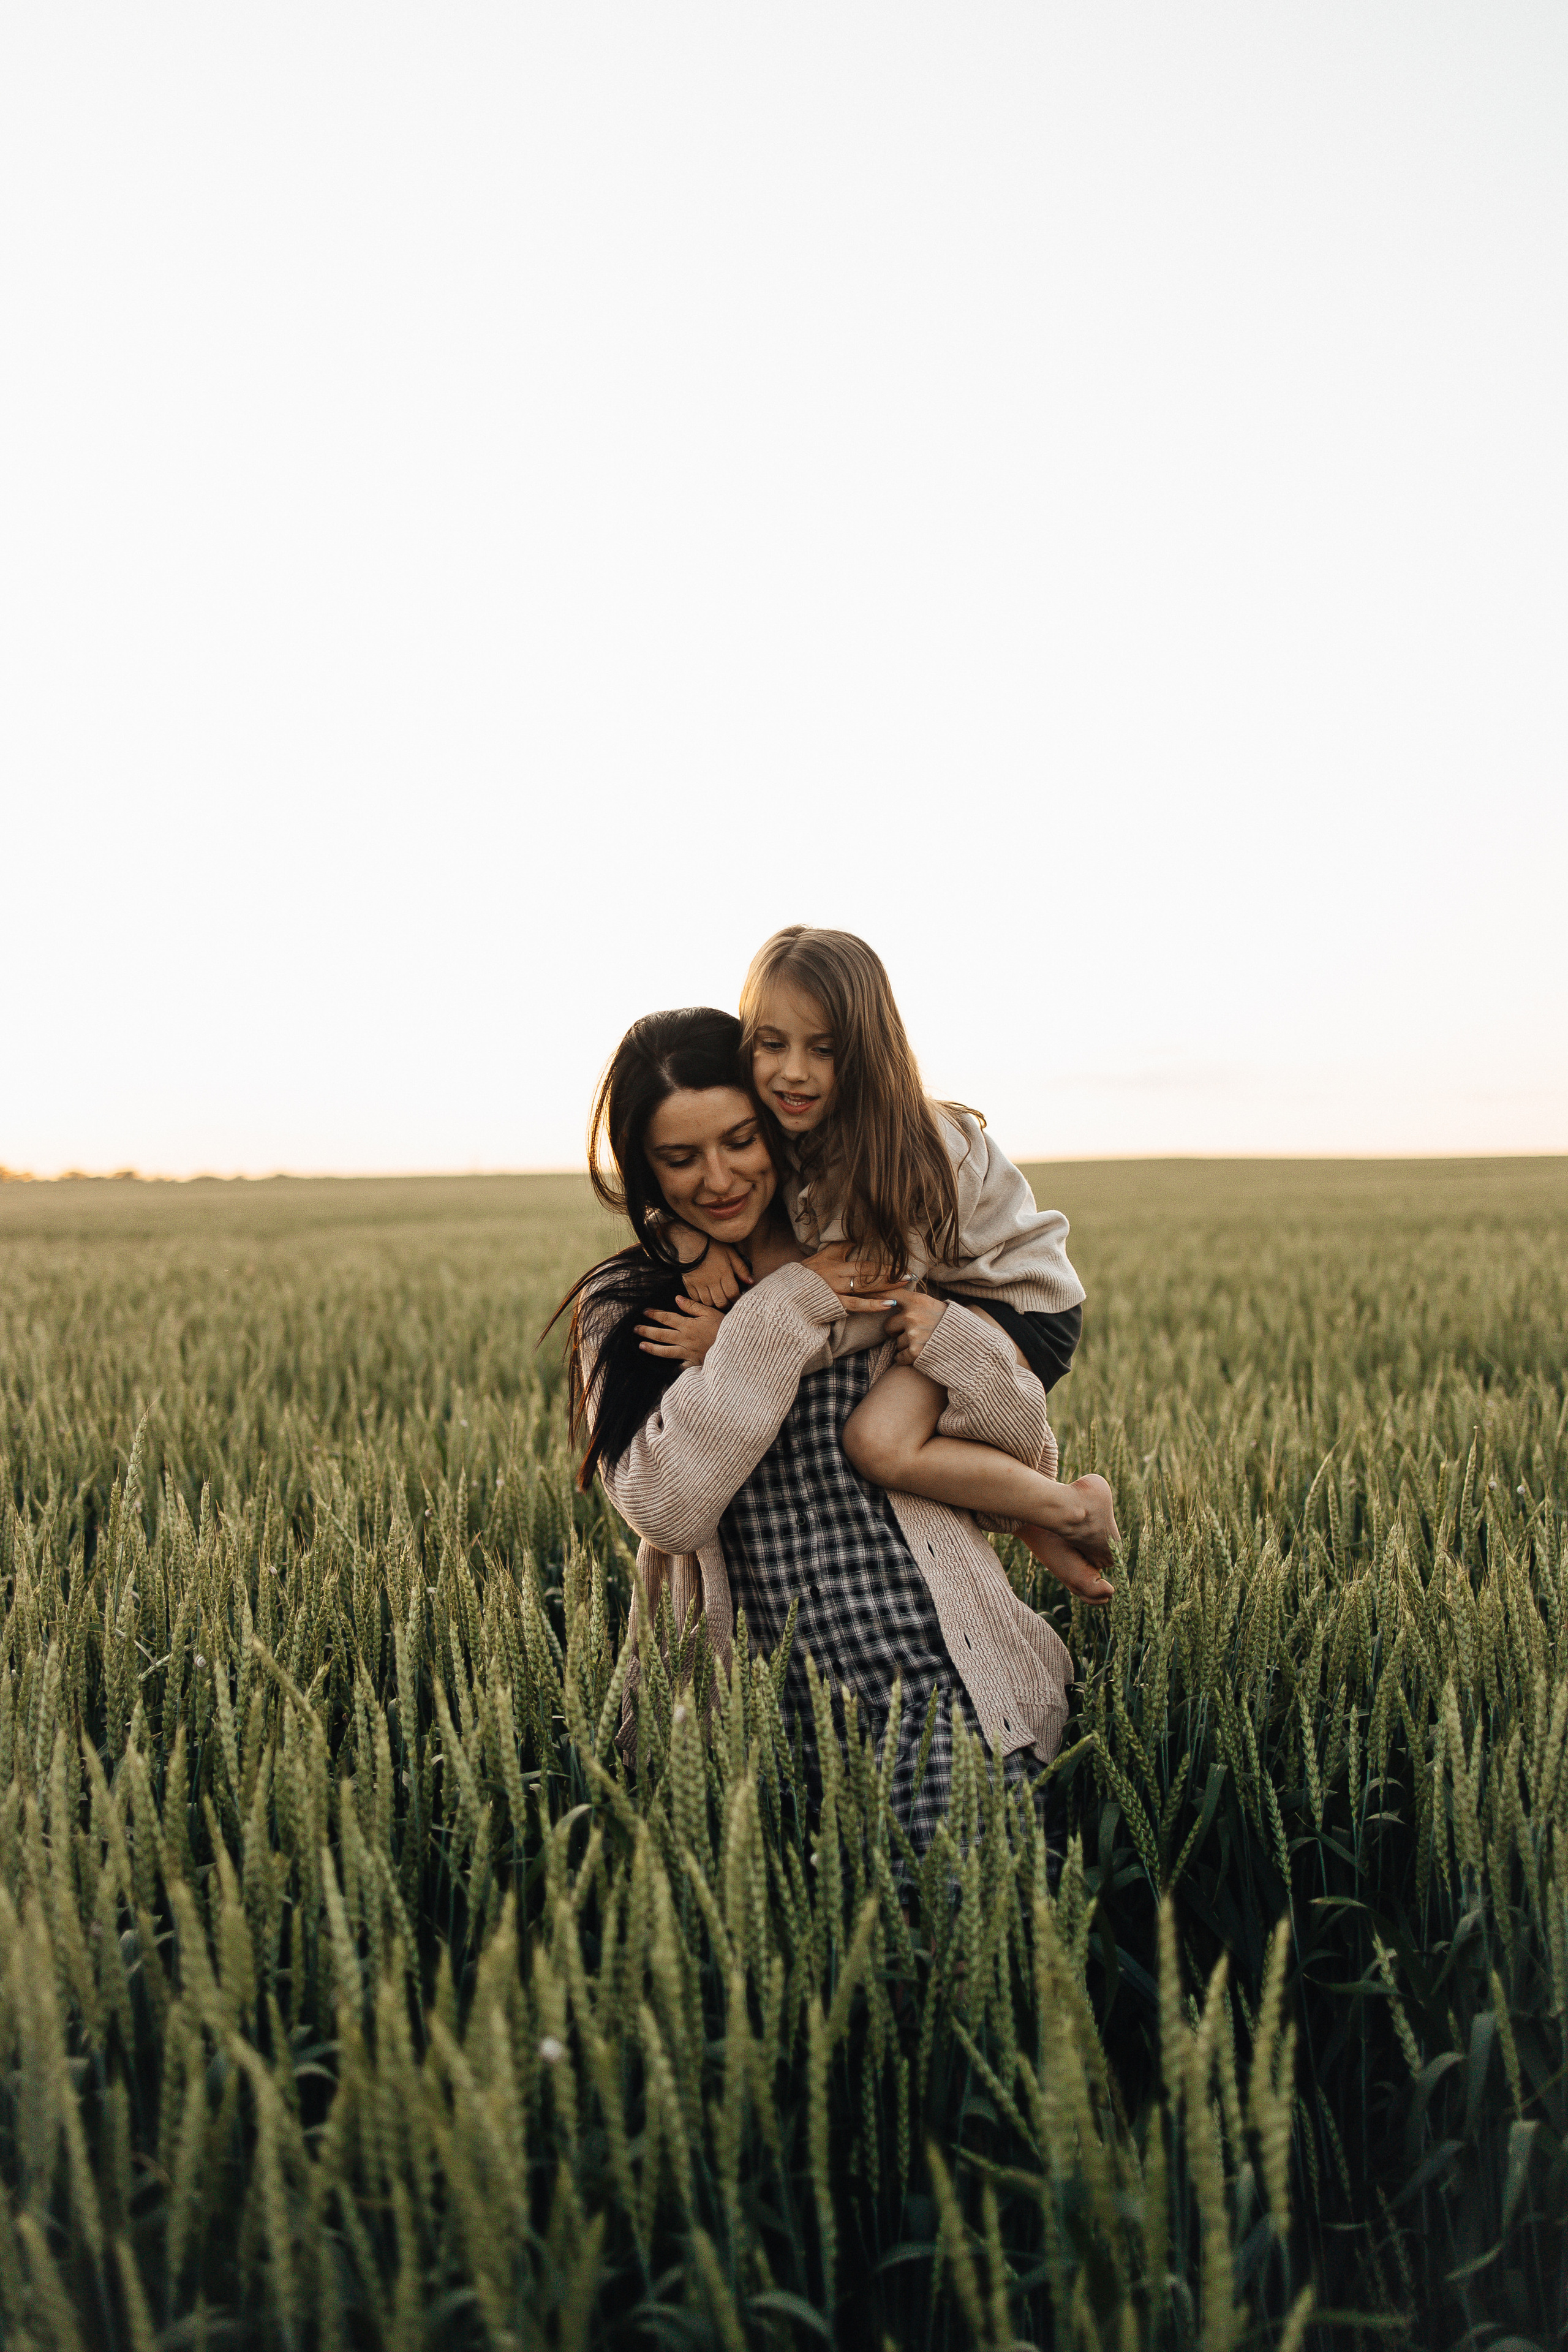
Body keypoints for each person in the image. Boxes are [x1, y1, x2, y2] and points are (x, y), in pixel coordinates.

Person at [557, 1006, 1120, 1848]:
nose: (717, 1178)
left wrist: (957, 1334)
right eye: (680, 1158)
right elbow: (668, 1507)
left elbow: (1021, 1456)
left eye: (739, 1141)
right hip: (744, 1722)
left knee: (958, 1940)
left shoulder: (878, 1246)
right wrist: (788, 1304)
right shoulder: (629, 1309)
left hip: (943, 1683)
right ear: (644, 1170)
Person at [655, 925, 1112, 1605]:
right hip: (941, 1291)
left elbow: (866, 1302)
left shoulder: (903, 1151)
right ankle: (1042, 1518)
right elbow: (732, 1211)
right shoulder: (799, 1126)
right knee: (898, 1432)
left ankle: (1072, 1509)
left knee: (879, 1442)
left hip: (1014, 1299)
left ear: (866, 1053)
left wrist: (733, 1343)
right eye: (771, 1044)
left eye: (824, 1050)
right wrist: (689, 1239)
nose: (792, 1072)